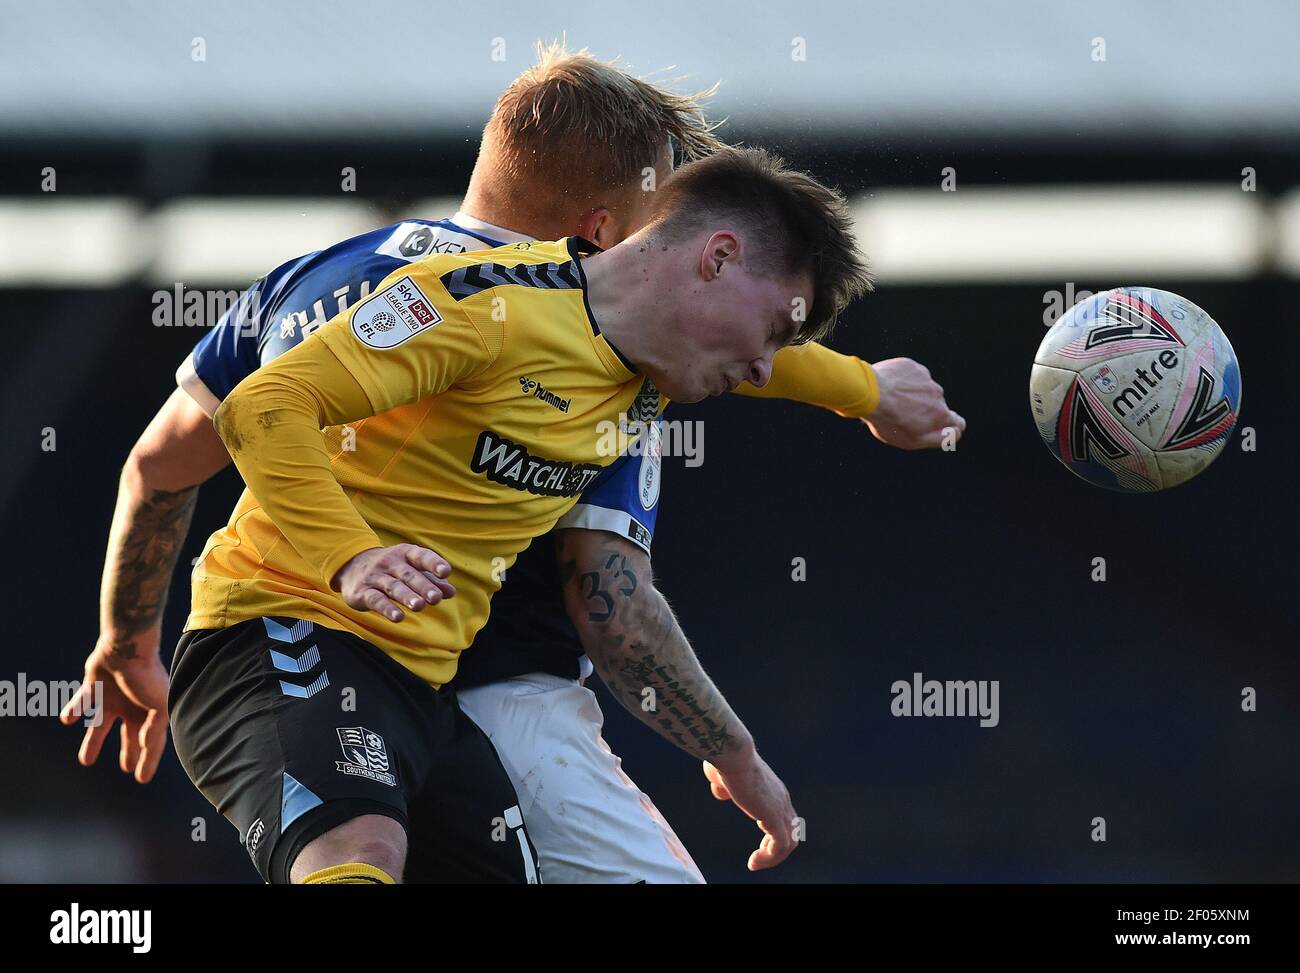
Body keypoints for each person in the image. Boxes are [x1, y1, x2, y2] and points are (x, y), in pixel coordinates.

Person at [63, 46, 963, 883]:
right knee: (354, 847)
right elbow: (611, 600)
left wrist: (126, 638)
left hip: (419, 686)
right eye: (662, 217)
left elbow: (159, 465)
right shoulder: (513, 317)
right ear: (614, 231)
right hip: (378, 658)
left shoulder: (311, 278)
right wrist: (351, 554)